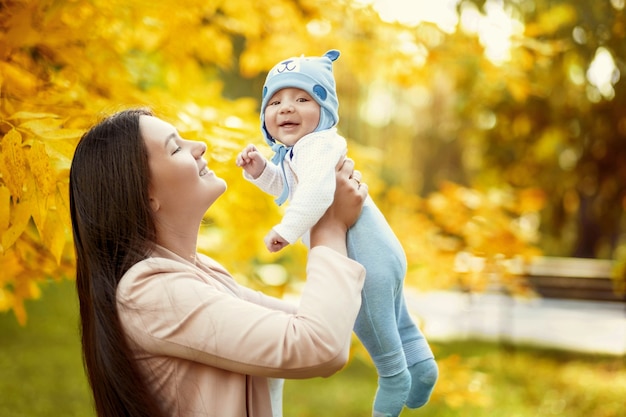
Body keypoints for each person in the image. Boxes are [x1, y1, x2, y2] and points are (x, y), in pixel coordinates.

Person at [69, 107, 369, 417]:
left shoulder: (202, 271)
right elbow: (318, 345)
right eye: (175, 147)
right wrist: (329, 227)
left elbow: (322, 321)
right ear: (145, 197)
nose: (198, 147)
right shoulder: (149, 293)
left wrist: (314, 196)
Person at [236, 50, 438, 417]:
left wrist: (286, 229)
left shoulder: (318, 144)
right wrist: (259, 170)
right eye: (276, 101)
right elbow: (288, 188)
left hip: (362, 262)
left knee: (379, 338)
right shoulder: (301, 153)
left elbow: (314, 194)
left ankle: (394, 380)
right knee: (401, 323)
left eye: (302, 99)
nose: (286, 108)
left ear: (325, 111)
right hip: (383, 252)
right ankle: (423, 369)